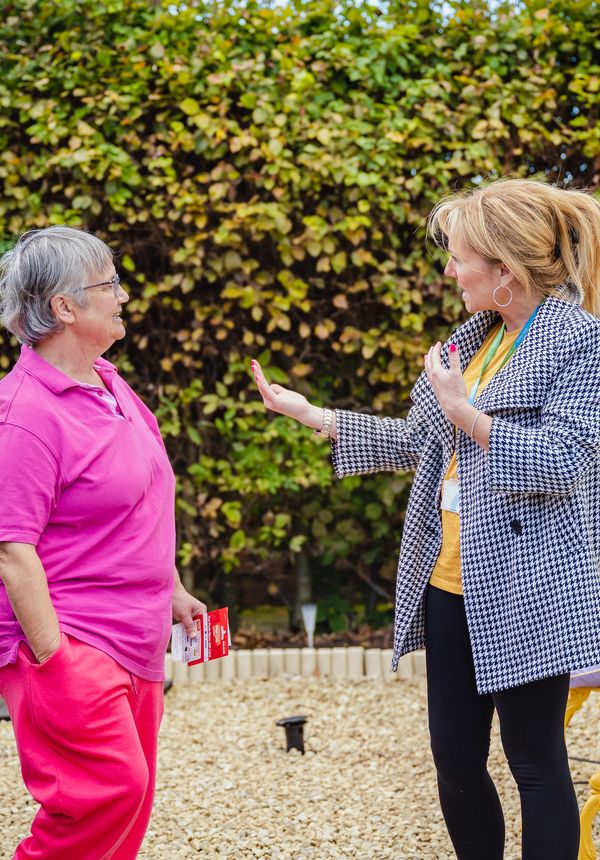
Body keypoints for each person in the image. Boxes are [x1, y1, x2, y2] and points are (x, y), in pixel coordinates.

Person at [251, 177, 600, 860]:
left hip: (528, 585)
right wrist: (312, 415)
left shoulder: (580, 342)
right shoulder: (472, 341)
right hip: (449, 584)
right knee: (453, 758)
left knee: (534, 762)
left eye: (460, 256)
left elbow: (568, 459)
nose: (449, 270)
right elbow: (418, 439)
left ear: (504, 268)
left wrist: (467, 413)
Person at [0, 226, 206, 859]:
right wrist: (53, 658)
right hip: (76, 642)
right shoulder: (24, 415)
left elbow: (143, 496)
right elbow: (12, 548)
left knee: (129, 807)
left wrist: (172, 590)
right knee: (107, 792)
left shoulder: (108, 382)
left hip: (136, 637)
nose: (122, 294)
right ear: (64, 307)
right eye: (108, 284)